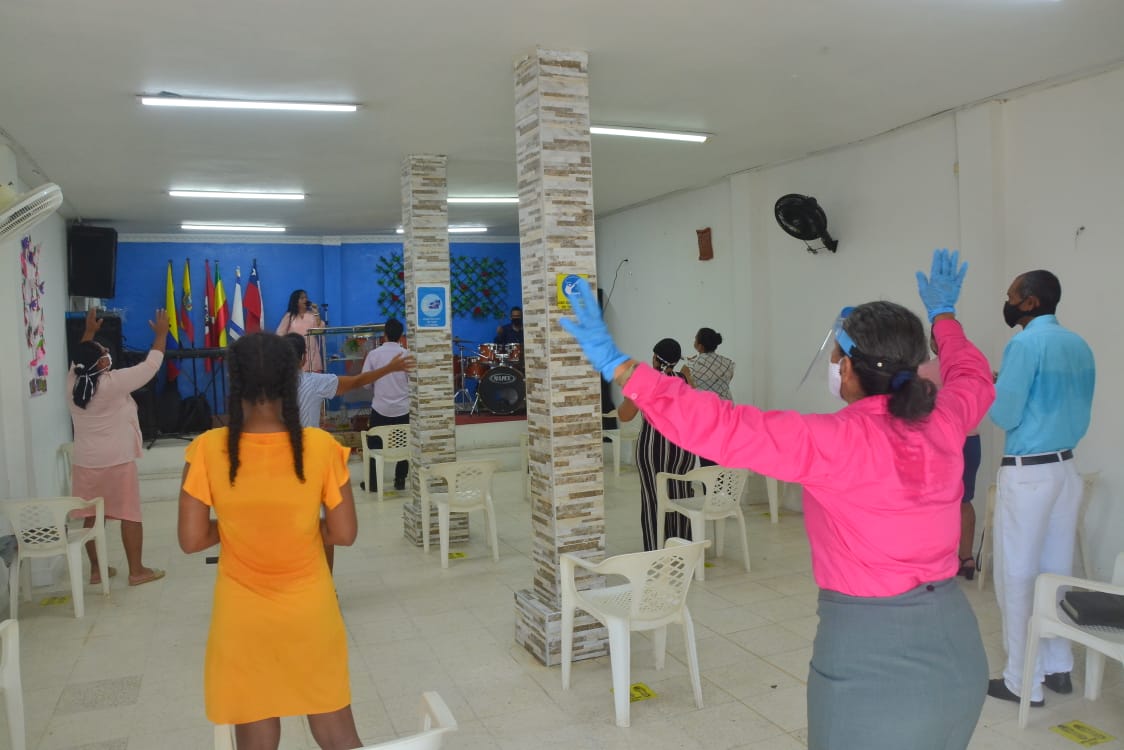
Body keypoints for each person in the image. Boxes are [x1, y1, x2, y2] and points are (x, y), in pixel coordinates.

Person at [561, 249, 994, 750]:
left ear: (850, 368)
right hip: (958, 647)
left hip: (872, 655)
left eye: (837, 355)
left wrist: (620, 366)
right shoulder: (945, 418)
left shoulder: (833, 441)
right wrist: (944, 316)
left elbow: (719, 427)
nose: (833, 364)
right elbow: (973, 376)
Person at [178, 332, 362, 750]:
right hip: (310, 612)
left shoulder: (207, 449)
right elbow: (344, 534)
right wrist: (299, 525)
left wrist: (233, 526)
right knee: (337, 732)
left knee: (256, 733)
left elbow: (190, 540)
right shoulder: (319, 446)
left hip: (241, 617)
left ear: (235, 381)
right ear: (290, 380)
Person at [985, 270, 1095, 709]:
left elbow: (1005, 415)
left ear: (1029, 303)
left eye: (1011, 295)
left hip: (1028, 473)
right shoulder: (1078, 344)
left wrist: (993, 387)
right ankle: (1057, 665)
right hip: (1067, 469)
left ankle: (1021, 681)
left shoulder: (1025, 344)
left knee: (1016, 574)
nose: (1007, 302)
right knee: (1054, 572)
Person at [285, 332, 414, 571]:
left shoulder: (265, 389)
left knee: (286, 527)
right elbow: (356, 381)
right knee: (323, 526)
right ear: (304, 359)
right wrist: (390, 368)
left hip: (276, 466)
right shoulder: (314, 382)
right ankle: (325, 581)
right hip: (308, 463)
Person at [67, 306, 168, 587]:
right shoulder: (111, 384)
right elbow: (151, 365)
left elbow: (81, 355)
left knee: (90, 516)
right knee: (129, 513)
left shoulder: (73, 382)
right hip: (117, 461)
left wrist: (89, 332)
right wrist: (161, 334)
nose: (106, 355)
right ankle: (137, 571)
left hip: (85, 462)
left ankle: (97, 571)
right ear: (100, 363)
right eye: (102, 352)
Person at [619, 338, 696, 551]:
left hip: (652, 450)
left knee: (653, 498)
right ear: (675, 361)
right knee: (680, 496)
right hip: (682, 450)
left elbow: (624, 415)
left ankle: (655, 548)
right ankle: (681, 548)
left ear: (655, 359)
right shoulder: (684, 380)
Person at [918, 333, 983, 580]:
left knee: (935, 502)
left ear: (935, 343)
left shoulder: (924, 371)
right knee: (965, 501)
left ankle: (936, 560)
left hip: (939, 441)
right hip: (971, 441)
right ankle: (965, 558)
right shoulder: (970, 369)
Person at [361, 318, 410, 492]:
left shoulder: (374, 355)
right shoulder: (407, 355)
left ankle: (373, 482)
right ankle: (400, 479)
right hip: (404, 409)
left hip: (380, 409)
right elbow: (413, 383)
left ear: (385, 335)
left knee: (374, 445)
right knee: (405, 445)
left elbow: (365, 382)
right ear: (401, 336)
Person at [682, 326, 734, 467]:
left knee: (707, 460)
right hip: (726, 414)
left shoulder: (690, 365)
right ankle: (725, 488)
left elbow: (686, 388)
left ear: (699, 346)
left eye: (695, 338)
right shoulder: (728, 363)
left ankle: (709, 488)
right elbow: (726, 382)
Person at [276, 289, 324, 372]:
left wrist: (316, 312)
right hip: (296, 353)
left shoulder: (312, 315)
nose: (305, 300)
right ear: (296, 301)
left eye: (306, 298)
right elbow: (280, 334)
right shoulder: (289, 316)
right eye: (302, 298)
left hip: (312, 353)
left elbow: (321, 329)